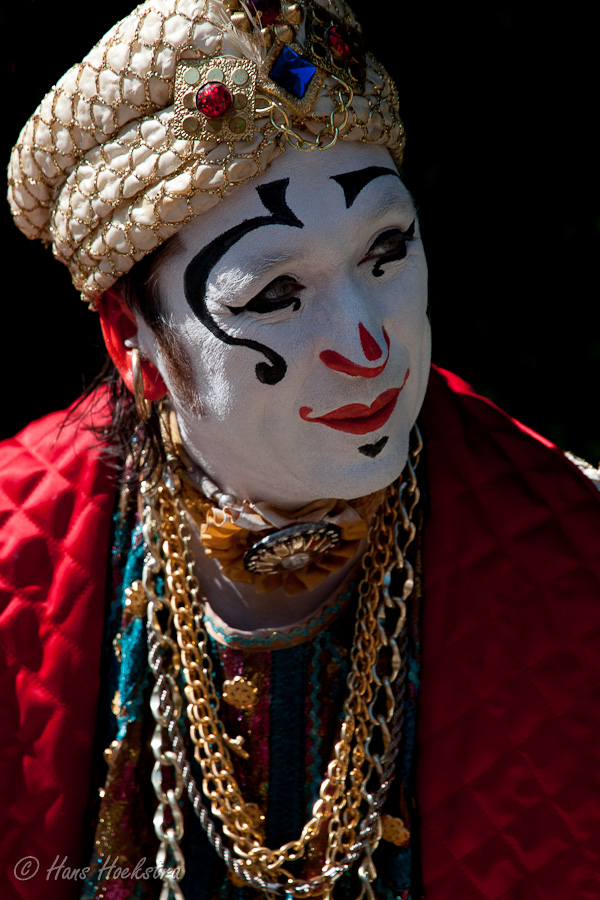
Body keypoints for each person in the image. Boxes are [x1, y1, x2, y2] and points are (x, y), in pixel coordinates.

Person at [2, 2, 599, 899]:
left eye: (386, 250)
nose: (368, 345)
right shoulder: (14, 553)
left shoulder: (578, 550)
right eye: (277, 292)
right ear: (133, 341)